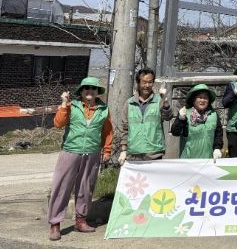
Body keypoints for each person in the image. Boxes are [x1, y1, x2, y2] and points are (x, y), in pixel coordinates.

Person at [48, 77, 112, 241]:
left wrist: (106, 151)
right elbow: (58, 123)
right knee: (61, 187)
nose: (90, 90)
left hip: (92, 153)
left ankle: (80, 221)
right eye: (86, 88)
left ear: (97, 91)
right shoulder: (71, 106)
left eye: (93, 88)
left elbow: (107, 132)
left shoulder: (103, 109)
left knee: (86, 187)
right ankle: (55, 223)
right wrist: (63, 104)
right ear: (81, 91)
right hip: (70, 151)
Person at [119, 68, 173, 164]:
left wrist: (165, 102)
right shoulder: (129, 103)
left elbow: (168, 117)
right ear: (138, 82)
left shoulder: (159, 101)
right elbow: (125, 129)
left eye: (150, 82)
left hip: (154, 154)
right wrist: (123, 150)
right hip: (133, 154)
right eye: (144, 82)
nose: (147, 86)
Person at [171, 84, 223, 159]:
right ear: (193, 99)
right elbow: (175, 132)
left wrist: (217, 148)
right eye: (200, 97)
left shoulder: (213, 115)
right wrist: (180, 119)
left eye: (205, 98)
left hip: (208, 159)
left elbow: (218, 133)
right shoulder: (185, 113)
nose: (202, 100)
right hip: (189, 160)